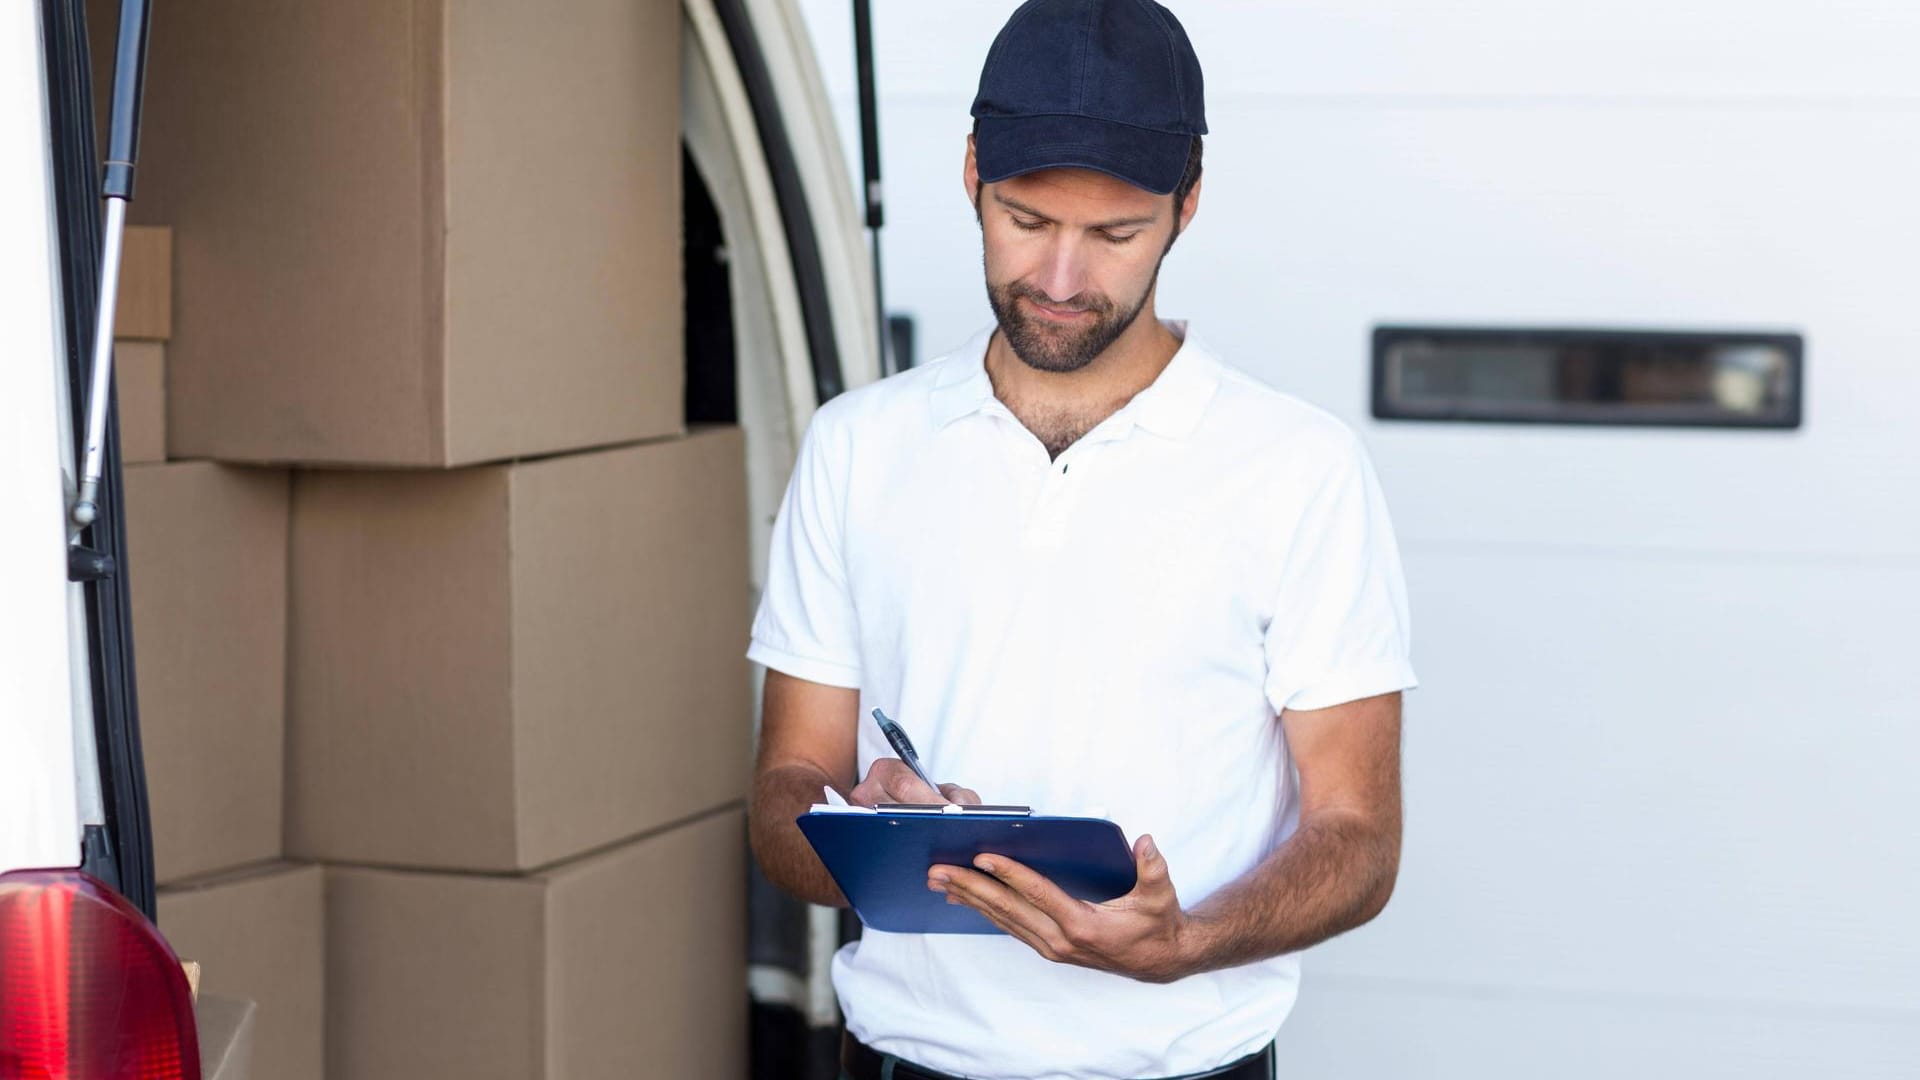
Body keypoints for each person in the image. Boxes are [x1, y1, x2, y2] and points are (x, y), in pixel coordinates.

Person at [746, 2, 1417, 1077]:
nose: (1060, 281)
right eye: (1024, 220)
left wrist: (1186, 943)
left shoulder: (1298, 469)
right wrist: (862, 831)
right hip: (903, 1061)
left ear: (1187, 204)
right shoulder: (857, 449)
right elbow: (784, 795)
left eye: (1114, 236)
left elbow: (1359, 840)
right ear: (972, 171)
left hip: (1184, 1064)